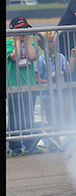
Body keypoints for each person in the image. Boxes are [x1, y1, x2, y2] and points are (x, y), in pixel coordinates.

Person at [7, 16, 38, 155]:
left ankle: (30, 143)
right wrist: (17, 41)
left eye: (25, 29)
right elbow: (15, 56)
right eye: (20, 30)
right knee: (15, 116)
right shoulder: (9, 44)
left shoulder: (28, 43)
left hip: (29, 85)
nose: (23, 32)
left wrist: (27, 40)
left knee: (28, 114)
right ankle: (15, 146)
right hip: (14, 87)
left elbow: (31, 56)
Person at [34, 31, 76, 128]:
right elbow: (37, 79)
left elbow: (69, 70)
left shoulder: (60, 57)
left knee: (61, 119)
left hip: (61, 95)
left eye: (56, 40)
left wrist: (72, 57)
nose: (56, 43)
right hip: (47, 97)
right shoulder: (41, 60)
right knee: (50, 120)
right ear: (44, 45)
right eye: (53, 40)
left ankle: (60, 140)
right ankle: (52, 142)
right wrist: (50, 82)